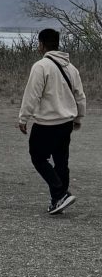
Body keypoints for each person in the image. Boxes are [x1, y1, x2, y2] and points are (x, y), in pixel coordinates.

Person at [18, 28, 86, 215]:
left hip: (46, 123)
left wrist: (23, 118)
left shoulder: (41, 66)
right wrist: (79, 117)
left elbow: (32, 95)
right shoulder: (71, 68)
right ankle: (58, 201)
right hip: (66, 122)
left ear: (41, 44)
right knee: (61, 161)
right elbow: (80, 96)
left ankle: (60, 193)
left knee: (38, 157)